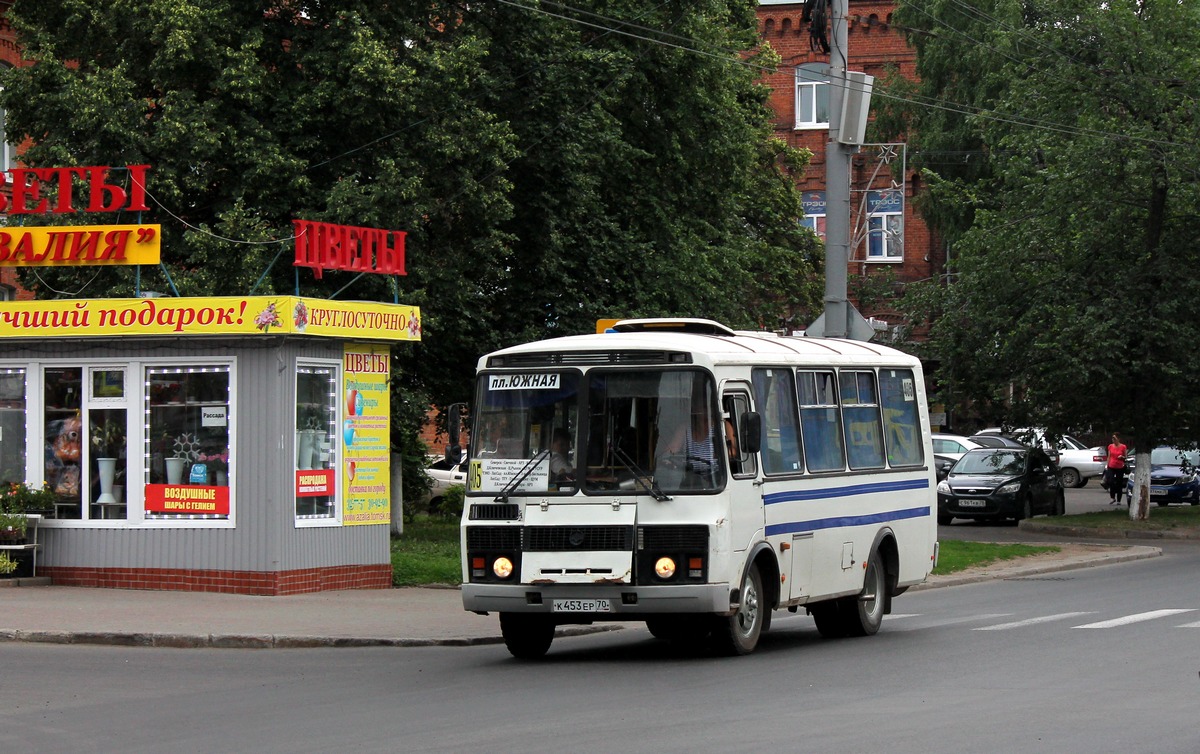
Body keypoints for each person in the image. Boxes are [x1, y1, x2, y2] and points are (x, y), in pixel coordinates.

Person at [1105, 433, 1129, 505]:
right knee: (1111, 481)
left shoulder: (1123, 447)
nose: (1113, 440)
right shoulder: (1110, 446)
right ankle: (1112, 497)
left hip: (1120, 467)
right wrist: (1107, 465)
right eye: (1112, 438)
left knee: (1119, 483)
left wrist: (1122, 457)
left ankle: (1119, 499)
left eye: (1114, 438)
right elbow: (1109, 456)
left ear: (1118, 439)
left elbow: (1125, 457)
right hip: (1111, 466)